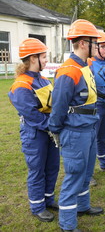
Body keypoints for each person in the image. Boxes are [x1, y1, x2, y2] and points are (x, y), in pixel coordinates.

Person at [48, 19, 104, 232]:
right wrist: (55, 129)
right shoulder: (68, 71)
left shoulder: (84, 66)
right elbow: (59, 105)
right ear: (83, 43)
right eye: (93, 42)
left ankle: (82, 206)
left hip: (88, 129)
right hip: (75, 132)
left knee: (86, 172)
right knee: (74, 175)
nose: (96, 46)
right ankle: (68, 225)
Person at [8, 38, 60, 222]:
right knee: (37, 169)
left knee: (52, 166)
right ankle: (38, 206)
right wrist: (53, 126)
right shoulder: (21, 85)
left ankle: (48, 199)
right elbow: (32, 114)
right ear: (32, 59)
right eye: (44, 57)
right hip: (35, 133)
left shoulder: (43, 79)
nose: (46, 60)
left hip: (48, 131)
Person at [88, 30, 105, 186]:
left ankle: (104, 164)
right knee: (91, 140)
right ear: (96, 47)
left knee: (103, 137)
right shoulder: (89, 64)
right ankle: (88, 173)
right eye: (103, 46)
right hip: (95, 106)